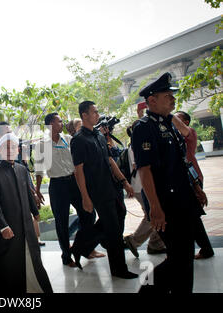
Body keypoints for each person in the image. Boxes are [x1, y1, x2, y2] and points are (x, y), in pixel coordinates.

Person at [133, 72, 208, 293]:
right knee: (179, 258)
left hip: (184, 199)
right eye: (168, 95)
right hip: (166, 203)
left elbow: (183, 162)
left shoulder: (170, 125)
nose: (173, 99)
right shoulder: (144, 127)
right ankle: (146, 289)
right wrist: (154, 207)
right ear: (152, 100)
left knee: (184, 258)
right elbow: (144, 170)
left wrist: (195, 187)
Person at [71, 101, 138, 279]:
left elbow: (110, 160)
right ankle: (118, 269)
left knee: (119, 215)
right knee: (114, 230)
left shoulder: (99, 136)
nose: (97, 115)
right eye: (94, 112)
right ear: (84, 115)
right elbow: (78, 171)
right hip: (97, 191)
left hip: (112, 187)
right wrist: (85, 197)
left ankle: (80, 246)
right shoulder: (78, 140)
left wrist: (124, 182)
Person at [0, 132, 53, 293]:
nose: (10, 150)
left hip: (26, 224)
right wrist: (3, 227)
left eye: (13, 147)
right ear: (0, 150)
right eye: (6, 147)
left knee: (33, 259)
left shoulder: (22, 169)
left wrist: (35, 212)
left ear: (18, 150)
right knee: (11, 264)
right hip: (9, 228)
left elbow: (28, 194)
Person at [34, 113, 102, 268]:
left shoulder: (70, 140)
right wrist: (37, 191)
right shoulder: (41, 145)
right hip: (57, 185)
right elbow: (38, 171)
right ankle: (66, 256)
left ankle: (82, 246)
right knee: (61, 222)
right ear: (51, 124)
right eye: (59, 121)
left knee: (89, 214)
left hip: (74, 182)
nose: (62, 123)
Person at [173, 111, 214, 260]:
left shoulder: (189, 133)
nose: (174, 120)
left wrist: (167, 113)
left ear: (186, 122)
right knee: (191, 217)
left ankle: (205, 249)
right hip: (183, 180)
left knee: (192, 217)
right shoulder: (173, 135)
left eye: (179, 118)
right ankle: (204, 248)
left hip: (193, 177)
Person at [123, 123, 167, 258]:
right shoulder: (136, 146)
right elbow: (140, 166)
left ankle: (155, 243)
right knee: (151, 215)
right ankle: (135, 241)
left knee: (153, 215)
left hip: (142, 186)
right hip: (141, 186)